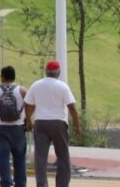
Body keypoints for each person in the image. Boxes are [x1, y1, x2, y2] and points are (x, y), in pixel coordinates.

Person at [24, 59, 82, 187]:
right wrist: (77, 125)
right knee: (63, 156)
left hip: (40, 122)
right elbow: (72, 107)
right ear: (59, 72)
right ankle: (62, 184)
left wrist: (28, 120)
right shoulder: (63, 86)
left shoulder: (36, 85)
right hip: (58, 123)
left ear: (46, 71)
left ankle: (41, 183)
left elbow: (27, 103)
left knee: (40, 156)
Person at [0, 65, 28, 187]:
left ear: (2, 77)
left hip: (1, 129)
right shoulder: (22, 90)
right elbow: (31, 104)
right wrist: (28, 120)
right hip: (18, 128)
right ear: (14, 76)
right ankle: (20, 183)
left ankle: (6, 183)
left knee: (3, 158)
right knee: (19, 158)